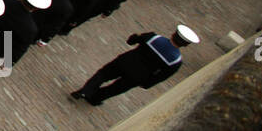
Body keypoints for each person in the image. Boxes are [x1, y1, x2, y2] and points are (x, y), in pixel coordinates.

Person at [72, 25, 200, 105]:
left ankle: (85, 90)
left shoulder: (153, 37)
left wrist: (133, 39)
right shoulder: (176, 61)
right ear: (186, 45)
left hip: (125, 61)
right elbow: (161, 77)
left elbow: (132, 40)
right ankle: (94, 98)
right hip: (138, 76)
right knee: (116, 89)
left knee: (103, 74)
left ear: (173, 34)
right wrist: (146, 84)